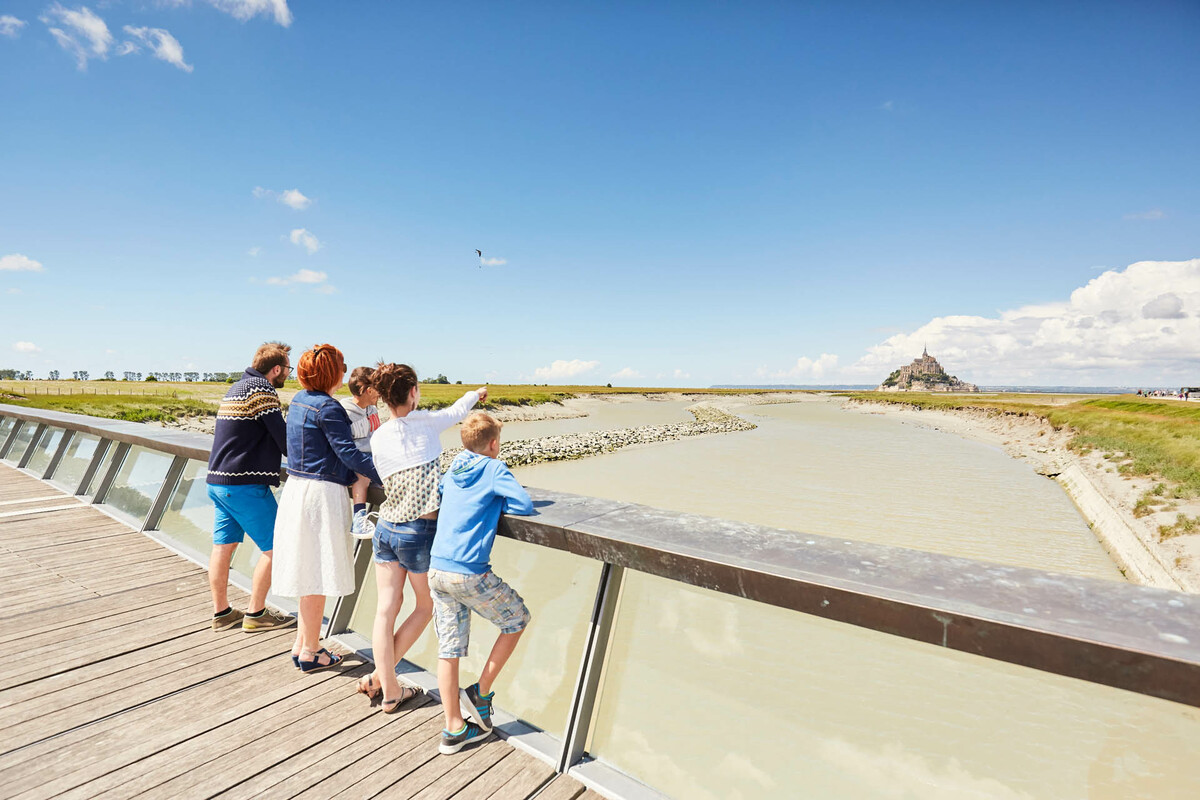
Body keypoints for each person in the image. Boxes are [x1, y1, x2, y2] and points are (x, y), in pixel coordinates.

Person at [356, 363, 485, 713]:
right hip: (418, 530)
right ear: (413, 392)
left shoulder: (380, 434)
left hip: (386, 528)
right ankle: (386, 683)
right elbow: (458, 412)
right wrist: (476, 394)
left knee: (386, 609)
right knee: (425, 606)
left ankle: (386, 683)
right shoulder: (426, 423)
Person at [428, 411, 534, 754]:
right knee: (516, 619)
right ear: (493, 444)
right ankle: (481, 691)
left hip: (437, 569)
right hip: (469, 572)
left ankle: (454, 728)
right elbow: (524, 503)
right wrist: (498, 498)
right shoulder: (493, 468)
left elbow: (442, 492)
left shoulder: (455, 465)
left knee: (449, 649)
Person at [272, 344, 381, 673]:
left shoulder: (300, 401)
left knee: (306, 568)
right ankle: (311, 650)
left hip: (298, 489)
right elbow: (349, 453)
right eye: (341, 365)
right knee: (317, 573)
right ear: (332, 373)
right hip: (321, 494)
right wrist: (387, 475)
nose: (345, 370)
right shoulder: (329, 408)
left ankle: (302, 643)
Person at [205, 342, 297, 633]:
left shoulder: (238, 386)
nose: (288, 375)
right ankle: (256, 613)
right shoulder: (262, 389)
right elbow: (283, 440)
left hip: (219, 482)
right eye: (288, 369)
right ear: (277, 369)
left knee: (223, 547)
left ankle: (222, 612)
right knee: (277, 547)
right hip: (245, 484)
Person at [340, 366, 383, 539]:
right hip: (357, 460)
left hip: (374, 457)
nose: (380, 394)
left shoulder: (372, 409)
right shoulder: (345, 411)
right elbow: (347, 447)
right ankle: (359, 517)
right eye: (378, 389)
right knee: (362, 475)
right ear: (368, 390)